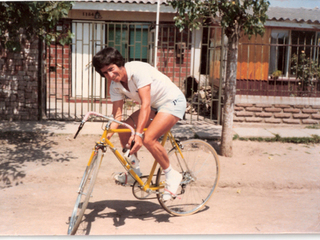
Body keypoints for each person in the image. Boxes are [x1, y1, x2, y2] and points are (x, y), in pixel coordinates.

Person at [92, 47, 187, 201]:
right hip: (155, 107)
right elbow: (117, 115)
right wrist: (105, 138)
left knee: (148, 138)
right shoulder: (115, 85)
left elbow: (145, 105)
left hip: (172, 101)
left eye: (111, 69)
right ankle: (134, 172)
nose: (110, 75)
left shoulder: (137, 71)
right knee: (123, 129)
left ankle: (172, 174)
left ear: (119, 64)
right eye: (105, 73)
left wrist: (138, 134)